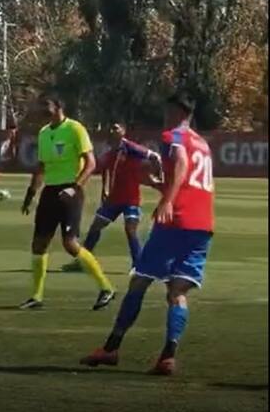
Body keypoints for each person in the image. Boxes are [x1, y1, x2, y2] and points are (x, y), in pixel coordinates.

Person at [81, 93, 214, 375]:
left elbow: (180, 163)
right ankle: (168, 355)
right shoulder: (202, 143)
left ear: (177, 110)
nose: (164, 114)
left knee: (139, 282)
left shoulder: (173, 136)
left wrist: (167, 200)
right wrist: (157, 185)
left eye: (167, 109)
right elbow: (188, 177)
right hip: (202, 224)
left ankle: (111, 348)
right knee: (177, 292)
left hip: (175, 221)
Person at [20, 93, 116, 310]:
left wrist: (75, 187)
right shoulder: (44, 133)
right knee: (39, 244)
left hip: (71, 190)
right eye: (41, 105)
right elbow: (42, 167)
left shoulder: (75, 129)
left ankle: (106, 288)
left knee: (70, 244)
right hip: (50, 191)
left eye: (46, 105)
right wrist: (30, 194)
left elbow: (91, 164)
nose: (43, 109)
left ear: (59, 106)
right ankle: (36, 296)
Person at [62, 122, 162, 272]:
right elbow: (106, 170)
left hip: (131, 199)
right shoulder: (111, 151)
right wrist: (105, 188)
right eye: (111, 128)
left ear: (123, 131)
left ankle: (139, 265)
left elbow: (155, 157)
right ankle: (82, 262)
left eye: (116, 127)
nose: (112, 130)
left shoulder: (131, 148)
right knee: (96, 226)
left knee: (130, 230)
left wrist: (158, 175)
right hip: (114, 199)